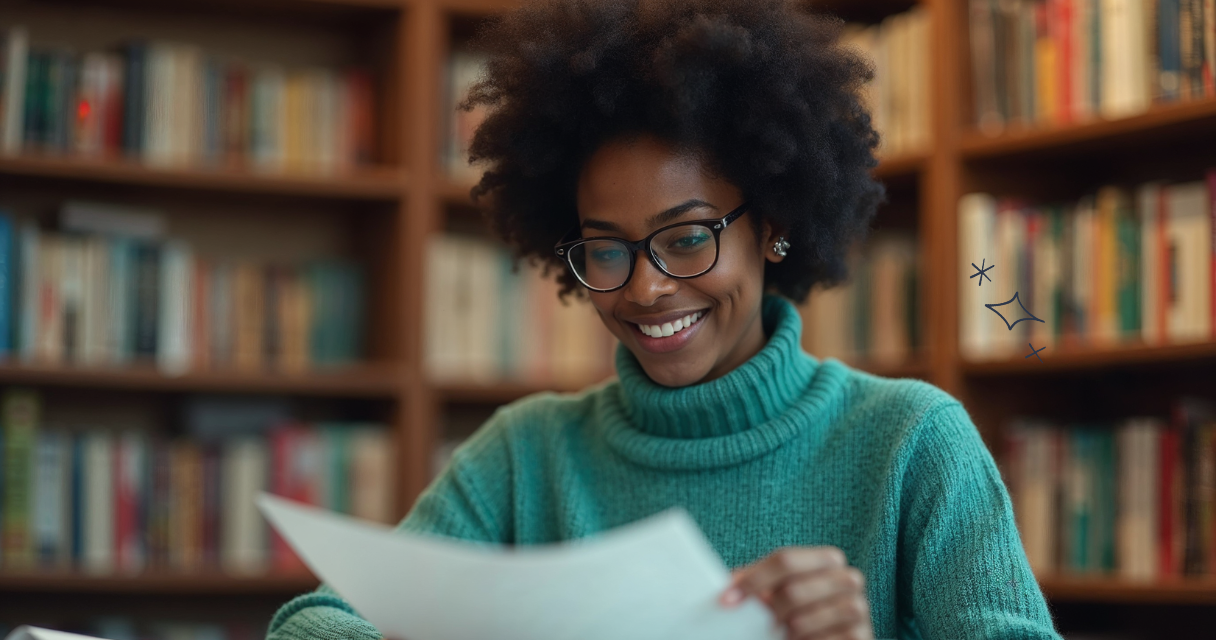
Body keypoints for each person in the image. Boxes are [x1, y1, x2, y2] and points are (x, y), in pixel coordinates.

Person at [266, 0, 1063, 638]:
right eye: (606, 250)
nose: (645, 289)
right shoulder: (527, 454)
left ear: (774, 223)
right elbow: (313, 622)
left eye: (686, 239)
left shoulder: (912, 442)